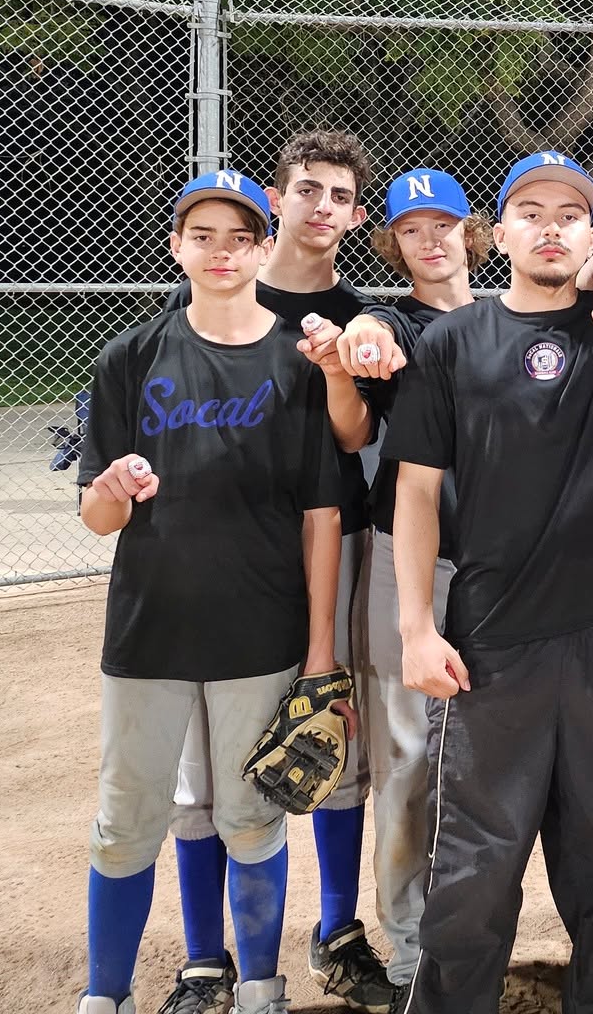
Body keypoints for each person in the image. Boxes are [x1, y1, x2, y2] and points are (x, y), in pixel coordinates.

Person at [382, 150, 593, 1014]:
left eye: (570, 214)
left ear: (590, 234)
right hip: (491, 638)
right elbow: (414, 489)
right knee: (476, 864)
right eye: (532, 211)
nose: (552, 226)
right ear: (498, 234)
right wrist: (417, 628)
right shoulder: (453, 341)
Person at [74, 170, 345, 1014]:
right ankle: (106, 996)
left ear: (265, 247)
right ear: (176, 246)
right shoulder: (132, 356)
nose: (221, 252)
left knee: (251, 817)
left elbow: (322, 515)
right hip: (148, 631)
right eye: (203, 236)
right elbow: (95, 518)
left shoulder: (296, 361)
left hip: (259, 631)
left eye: (239, 237)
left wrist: (321, 652)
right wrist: (114, 485)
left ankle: (261, 986)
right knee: (126, 823)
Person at [157, 130, 404, 1014]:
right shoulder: (224, 293)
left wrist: (348, 351)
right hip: (222, 555)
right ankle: (204, 957)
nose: (323, 207)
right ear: (278, 199)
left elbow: (356, 439)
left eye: (340, 195)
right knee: (205, 761)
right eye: (308, 189)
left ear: (357, 214)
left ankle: (337, 931)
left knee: (331, 734)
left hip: (332, 546)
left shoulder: (363, 312)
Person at [292, 168, 488, 1001]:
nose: (433, 240)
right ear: (393, 242)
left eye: (446, 225)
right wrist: (364, 335)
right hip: (411, 560)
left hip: (503, 564)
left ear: (476, 235)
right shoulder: (391, 321)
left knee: (492, 759)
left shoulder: (512, 317)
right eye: (413, 229)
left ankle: (481, 928)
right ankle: (408, 944)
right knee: (407, 758)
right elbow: (369, 342)